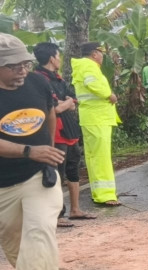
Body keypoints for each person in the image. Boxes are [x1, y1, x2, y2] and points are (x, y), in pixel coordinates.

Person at [0, 33, 65, 270]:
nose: (22, 71)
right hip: (4, 183)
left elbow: (49, 113)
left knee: (39, 228)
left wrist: (47, 150)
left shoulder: (39, 82)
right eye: (14, 66)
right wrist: (30, 150)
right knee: (13, 239)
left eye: (25, 64)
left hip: (38, 176)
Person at [33, 42, 96, 226]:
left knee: (73, 169)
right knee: (57, 173)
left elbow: (71, 99)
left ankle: (75, 209)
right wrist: (65, 104)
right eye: (58, 56)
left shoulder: (58, 79)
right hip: (56, 134)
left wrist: (65, 103)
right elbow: (55, 108)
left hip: (69, 130)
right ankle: (58, 215)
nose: (60, 59)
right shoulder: (39, 80)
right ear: (52, 58)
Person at [71, 42, 121, 206]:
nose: (102, 56)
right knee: (100, 156)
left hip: (93, 117)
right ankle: (105, 195)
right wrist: (109, 94)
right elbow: (92, 83)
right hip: (97, 117)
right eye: (101, 53)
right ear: (94, 54)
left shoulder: (84, 66)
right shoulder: (89, 66)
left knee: (94, 156)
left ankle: (99, 192)